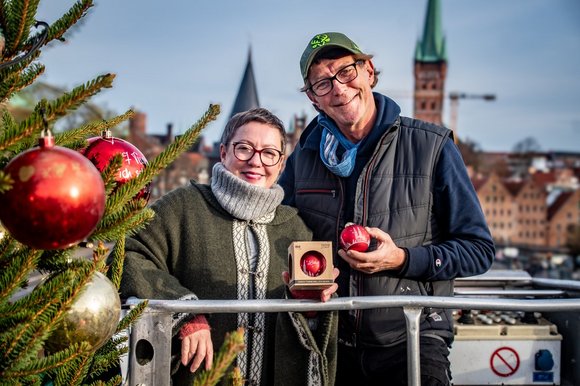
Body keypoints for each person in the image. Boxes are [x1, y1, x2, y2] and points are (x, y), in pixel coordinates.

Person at [278, 32, 495, 386]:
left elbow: (478, 250)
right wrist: (299, 280)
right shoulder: (304, 155)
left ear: (369, 71)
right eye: (321, 83)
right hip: (330, 339)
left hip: (411, 335)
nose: (338, 88)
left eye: (346, 72)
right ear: (314, 101)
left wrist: (402, 260)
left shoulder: (432, 146)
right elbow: (278, 231)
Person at [118, 108, 338, 386]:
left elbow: (312, 329)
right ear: (223, 152)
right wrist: (186, 312)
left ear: (281, 164)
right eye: (244, 148)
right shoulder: (183, 206)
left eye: (269, 153)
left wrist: (309, 307)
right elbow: (129, 252)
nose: (256, 161)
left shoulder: (296, 229)